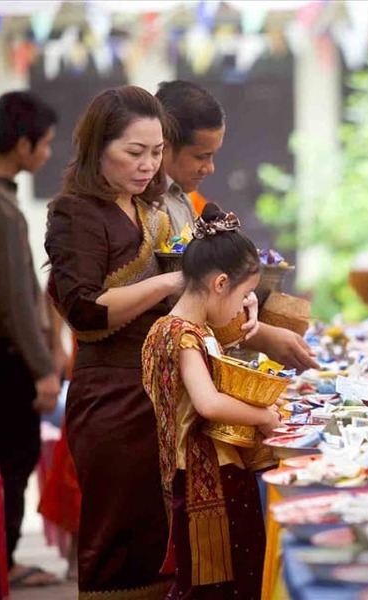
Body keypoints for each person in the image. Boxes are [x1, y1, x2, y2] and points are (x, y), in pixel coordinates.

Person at [45, 85, 259, 598]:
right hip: (114, 398)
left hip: (162, 395)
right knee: (122, 541)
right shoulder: (76, 213)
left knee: (168, 537)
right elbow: (83, 309)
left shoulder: (153, 209)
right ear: (99, 148)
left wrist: (237, 298)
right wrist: (168, 282)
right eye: (134, 152)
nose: (148, 165)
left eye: (157, 152)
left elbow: (203, 278)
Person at [142, 203, 280, 598]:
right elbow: (209, 403)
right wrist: (263, 415)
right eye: (244, 294)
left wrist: (246, 311)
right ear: (220, 283)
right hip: (210, 478)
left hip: (201, 471)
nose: (243, 305)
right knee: (218, 579)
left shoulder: (172, 327)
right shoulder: (184, 336)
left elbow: (220, 341)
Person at [155, 80, 318, 372]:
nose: (210, 168)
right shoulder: (150, 205)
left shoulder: (183, 199)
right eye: (201, 156)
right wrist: (261, 336)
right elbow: (185, 299)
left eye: (213, 156)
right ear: (165, 146)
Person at [0, 91, 63, 588]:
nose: (48, 153)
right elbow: (15, 301)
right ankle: (3, 562)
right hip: (2, 356)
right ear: (23, 143)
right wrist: (44, 370)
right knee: (13, 458)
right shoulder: (3, 212)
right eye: (46, 143)